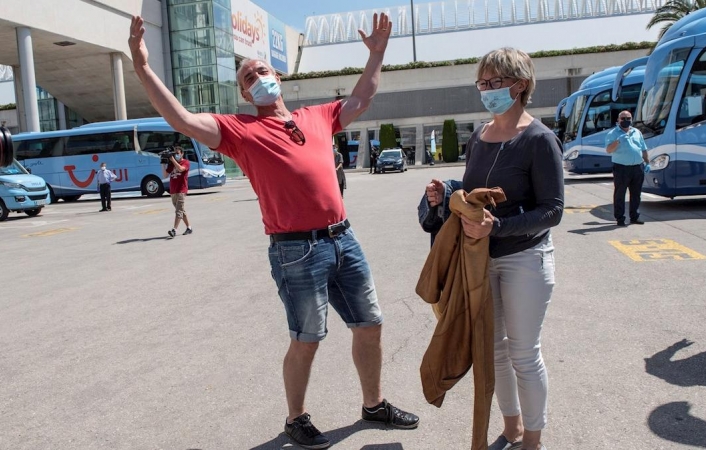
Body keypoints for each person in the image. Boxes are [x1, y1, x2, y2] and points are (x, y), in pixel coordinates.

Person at [129, 12, 418, 449]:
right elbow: (183, 119)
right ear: (245, 93)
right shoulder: (239, 130)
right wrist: (142, 66)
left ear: (277, 76)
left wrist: (376, 55)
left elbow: (361, 98)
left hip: (344, 238)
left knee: (370, 324)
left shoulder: (317, 115)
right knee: (307, 338)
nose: (258, 77)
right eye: (249, 77)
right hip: (296, 251)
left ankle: (373, 404)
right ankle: (295, 419)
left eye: (262, 70)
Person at [425, 47, 564, 450]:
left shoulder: (540, 139)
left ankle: (533, 440)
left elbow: (552, 211)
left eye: (495, 83)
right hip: (481, 259)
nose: (486, 91)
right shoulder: (480, 136)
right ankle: (512, 427)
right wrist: (448, 193)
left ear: (520, 85)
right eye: (482, 83)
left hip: (526, 259)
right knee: (494, 353)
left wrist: (498, 226)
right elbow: (476, 192)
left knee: (523, 353)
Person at [604, 110, 650, 226]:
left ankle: (635, 216)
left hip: (637, 167)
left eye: (628, 118)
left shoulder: (637, 132)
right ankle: (620, 218)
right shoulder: (613, 133)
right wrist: (618, 141)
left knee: (636, 194)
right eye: (623, 118)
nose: (626, 121)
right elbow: (609, 150)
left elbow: (643, 149)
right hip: (621, 168)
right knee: (620, 194)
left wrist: (647, 163)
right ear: (618, 120)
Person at [162, 146, 192, 238]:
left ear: (182, 154)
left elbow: (180, 169)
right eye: (175, 154)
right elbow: (165, 175)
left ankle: (174, 230)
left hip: (181, 190)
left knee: (179, 210)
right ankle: (189, 228)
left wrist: (172, 159)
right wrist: (163, 163)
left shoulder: (186, 162)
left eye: (177, 154)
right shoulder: (172, 164)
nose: (176, 156)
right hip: (173, 190)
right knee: (181, 210)